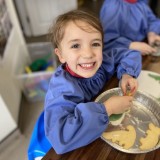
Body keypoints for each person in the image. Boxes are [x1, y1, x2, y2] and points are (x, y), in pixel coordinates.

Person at [28, 9, 141, 159]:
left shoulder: (103, 61)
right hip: (60, 136)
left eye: (95, 44)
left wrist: (127, 74)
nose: (88, 54)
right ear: (61, 55)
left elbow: (130, 54)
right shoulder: (62, 89)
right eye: (75, 46)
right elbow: (61, 137)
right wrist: (107, 108)